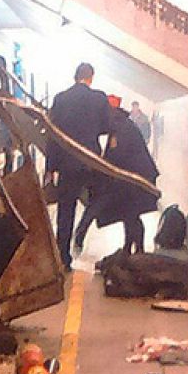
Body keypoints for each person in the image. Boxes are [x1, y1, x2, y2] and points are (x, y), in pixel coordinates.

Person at [45, 62, 113, 265]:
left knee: (66, 208)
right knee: (100, 197)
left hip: (67, 162)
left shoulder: (61, 99)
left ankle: (63, 256)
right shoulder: (99, 98)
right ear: (90, 78)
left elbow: (53, 135)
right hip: (91, 161)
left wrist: (50, 167)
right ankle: (81, 231)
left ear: (75, 77)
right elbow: (107, 127)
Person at [77, 95, 160, 253]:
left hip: (137, 178)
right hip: (134, 176)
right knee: (129, 213)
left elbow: (116, 156)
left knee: (130, 212)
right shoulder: (120, 124)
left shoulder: (120, 129)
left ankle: (137, 250)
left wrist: (99, 171)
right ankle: (131, 248)